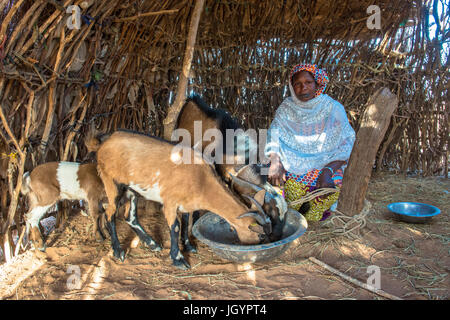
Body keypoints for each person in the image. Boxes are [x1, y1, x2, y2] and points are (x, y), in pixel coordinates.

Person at [264, 64, 356, 221]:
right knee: (275, 181)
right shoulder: (286, 108)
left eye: (308, 82)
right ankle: (294, 210)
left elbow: (346, 144)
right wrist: (275, 162)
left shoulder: (332, 108)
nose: (303, 88)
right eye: (298, 84)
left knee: (329, 188)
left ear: (317, 84)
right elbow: (273, 136)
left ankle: (312, 211)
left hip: (327, 164)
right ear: (292, 87)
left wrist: (327, 171)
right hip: (292, 163)